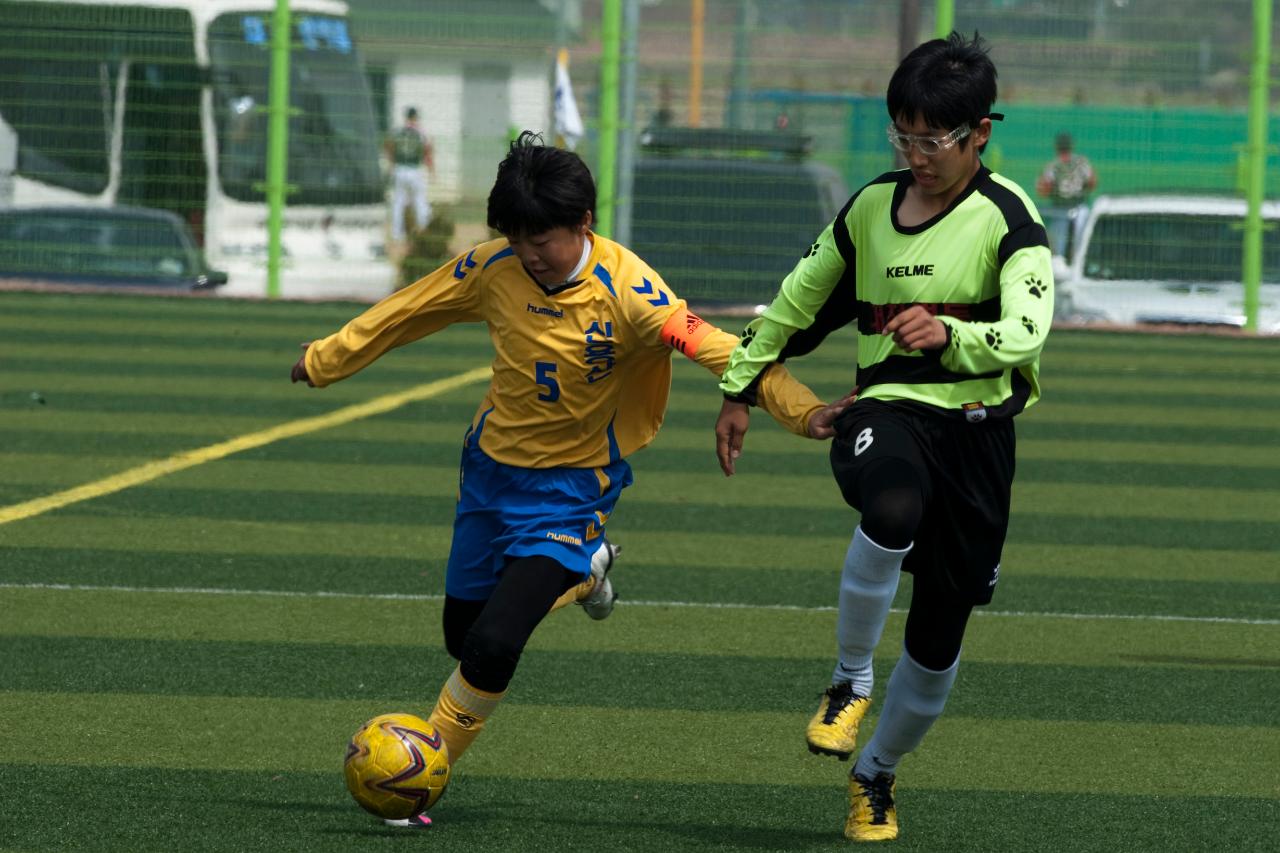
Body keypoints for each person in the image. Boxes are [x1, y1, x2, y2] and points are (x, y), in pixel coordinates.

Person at [292, 131, 852, 827]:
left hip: (572, 487)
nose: (529, 253)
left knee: (495, 644)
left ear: (583, 224)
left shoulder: (634, 293)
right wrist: (326, 358)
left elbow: (723, 350)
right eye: (517, 237)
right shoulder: (495, 267)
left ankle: (422, 769)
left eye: (543, 239)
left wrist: (805, 411)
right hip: (489, 477)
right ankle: (586, 575)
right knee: (463, 638)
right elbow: (412, 308)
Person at [713, 33, 1053, 842]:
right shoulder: (869, 207)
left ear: (980, 134)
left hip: (978, 438)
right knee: (891, 508)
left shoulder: (1009, 216)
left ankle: (877, 775)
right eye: (903, 134)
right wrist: (739, 388)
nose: (916, 153)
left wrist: (953, 336)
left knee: (940, 632)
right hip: (889, 411)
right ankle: (848, 679)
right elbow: (796, 304)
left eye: (932, 138)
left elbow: (1030, 327)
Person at [1035, 130, 1096, 255]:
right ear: (1071, 146)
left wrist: (1052, 190)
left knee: (1058, 248)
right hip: (1080, 208)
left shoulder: (1053, 166)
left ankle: (1059, 263)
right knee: (1081, 245)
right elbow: (1092, 182)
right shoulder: (1081, 162)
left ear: (1057, 147)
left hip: (1060, 209)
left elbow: (1043, 189)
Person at [385, 106, 434, 243]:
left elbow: (388, 146)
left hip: (400, 169)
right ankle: (424, 229)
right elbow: (427, 152)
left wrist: (391, 163)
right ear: (416, 117)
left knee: (398, 202)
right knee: (420, 200)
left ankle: (396, 234)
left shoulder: (397, 131)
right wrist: (431, 171)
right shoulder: (421, 132)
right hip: (415, 169)